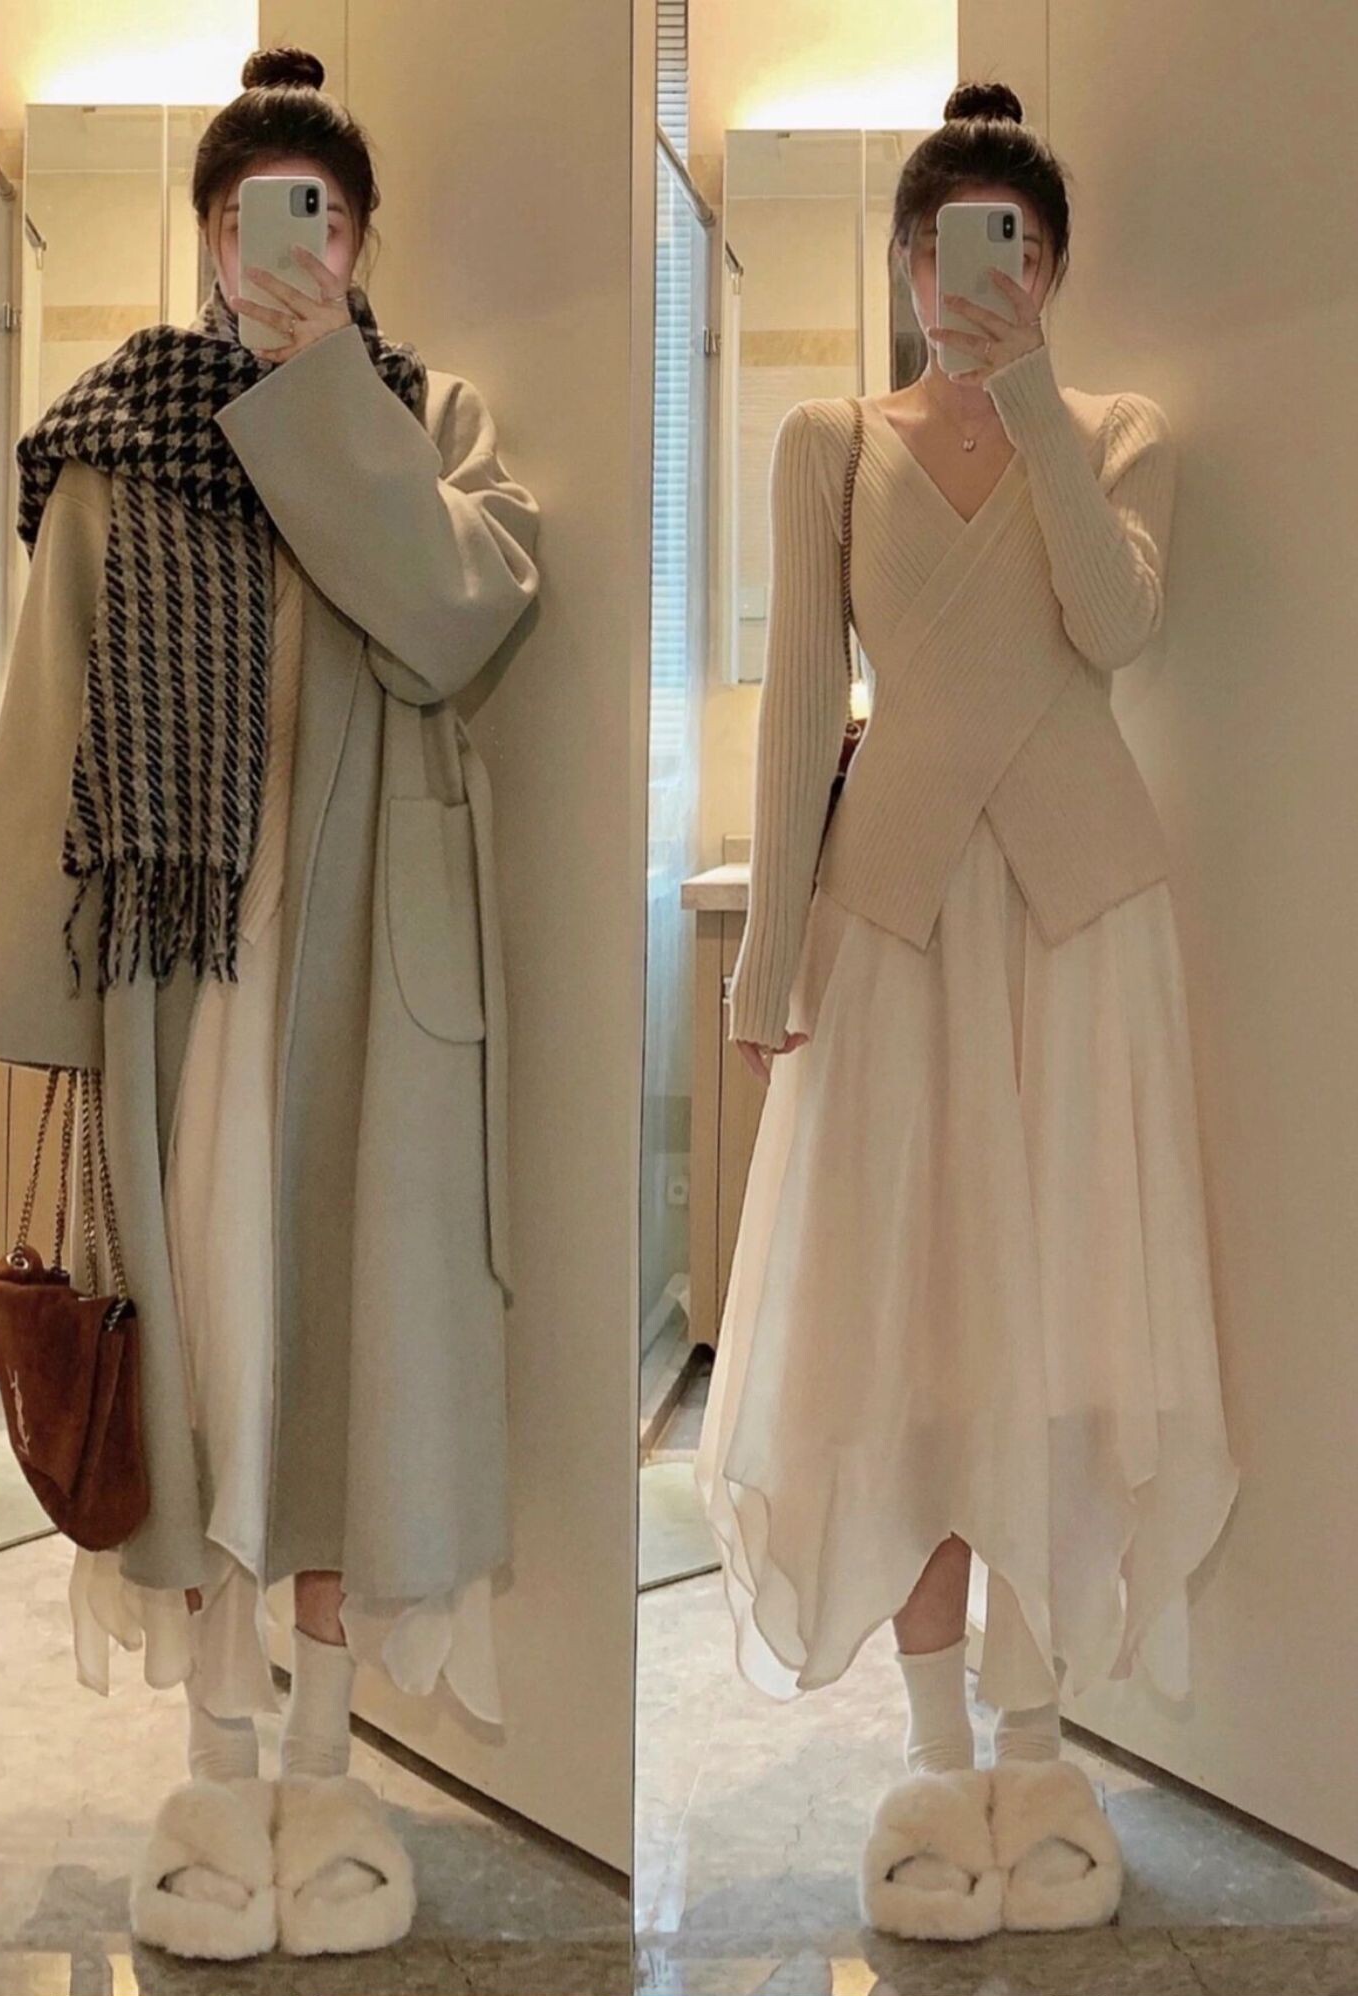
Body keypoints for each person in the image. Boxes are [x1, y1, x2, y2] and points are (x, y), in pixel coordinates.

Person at [0, 42, 540, 1947]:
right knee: (201, 1367)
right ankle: (213, 1775)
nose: (296, 247)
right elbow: (50, 735)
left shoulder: (426, 417)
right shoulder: (114, 434)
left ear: (361, 244)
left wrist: (321, 400)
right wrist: (36, 1043)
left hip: (374, 987)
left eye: (327, 218)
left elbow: (455, 622)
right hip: (176, 989)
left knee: (352, 1366)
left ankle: (333, 1779)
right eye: (263, 216)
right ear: (207, 235)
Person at [693, 78, 1239, 1937]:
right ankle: (934, 1757)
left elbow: (1119, 628)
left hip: (1083, 928)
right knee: (908, 1342)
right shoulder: (825, 440)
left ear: (1049, 269)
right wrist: (767, 961)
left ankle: (1039, 1743)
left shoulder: (1120, 432)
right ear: (906, 264)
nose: (971, 277)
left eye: (1008, 248)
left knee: (1065, 1330)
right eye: (941, 249)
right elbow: (795, 716)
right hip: (894, 931)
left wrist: (1035, 407)